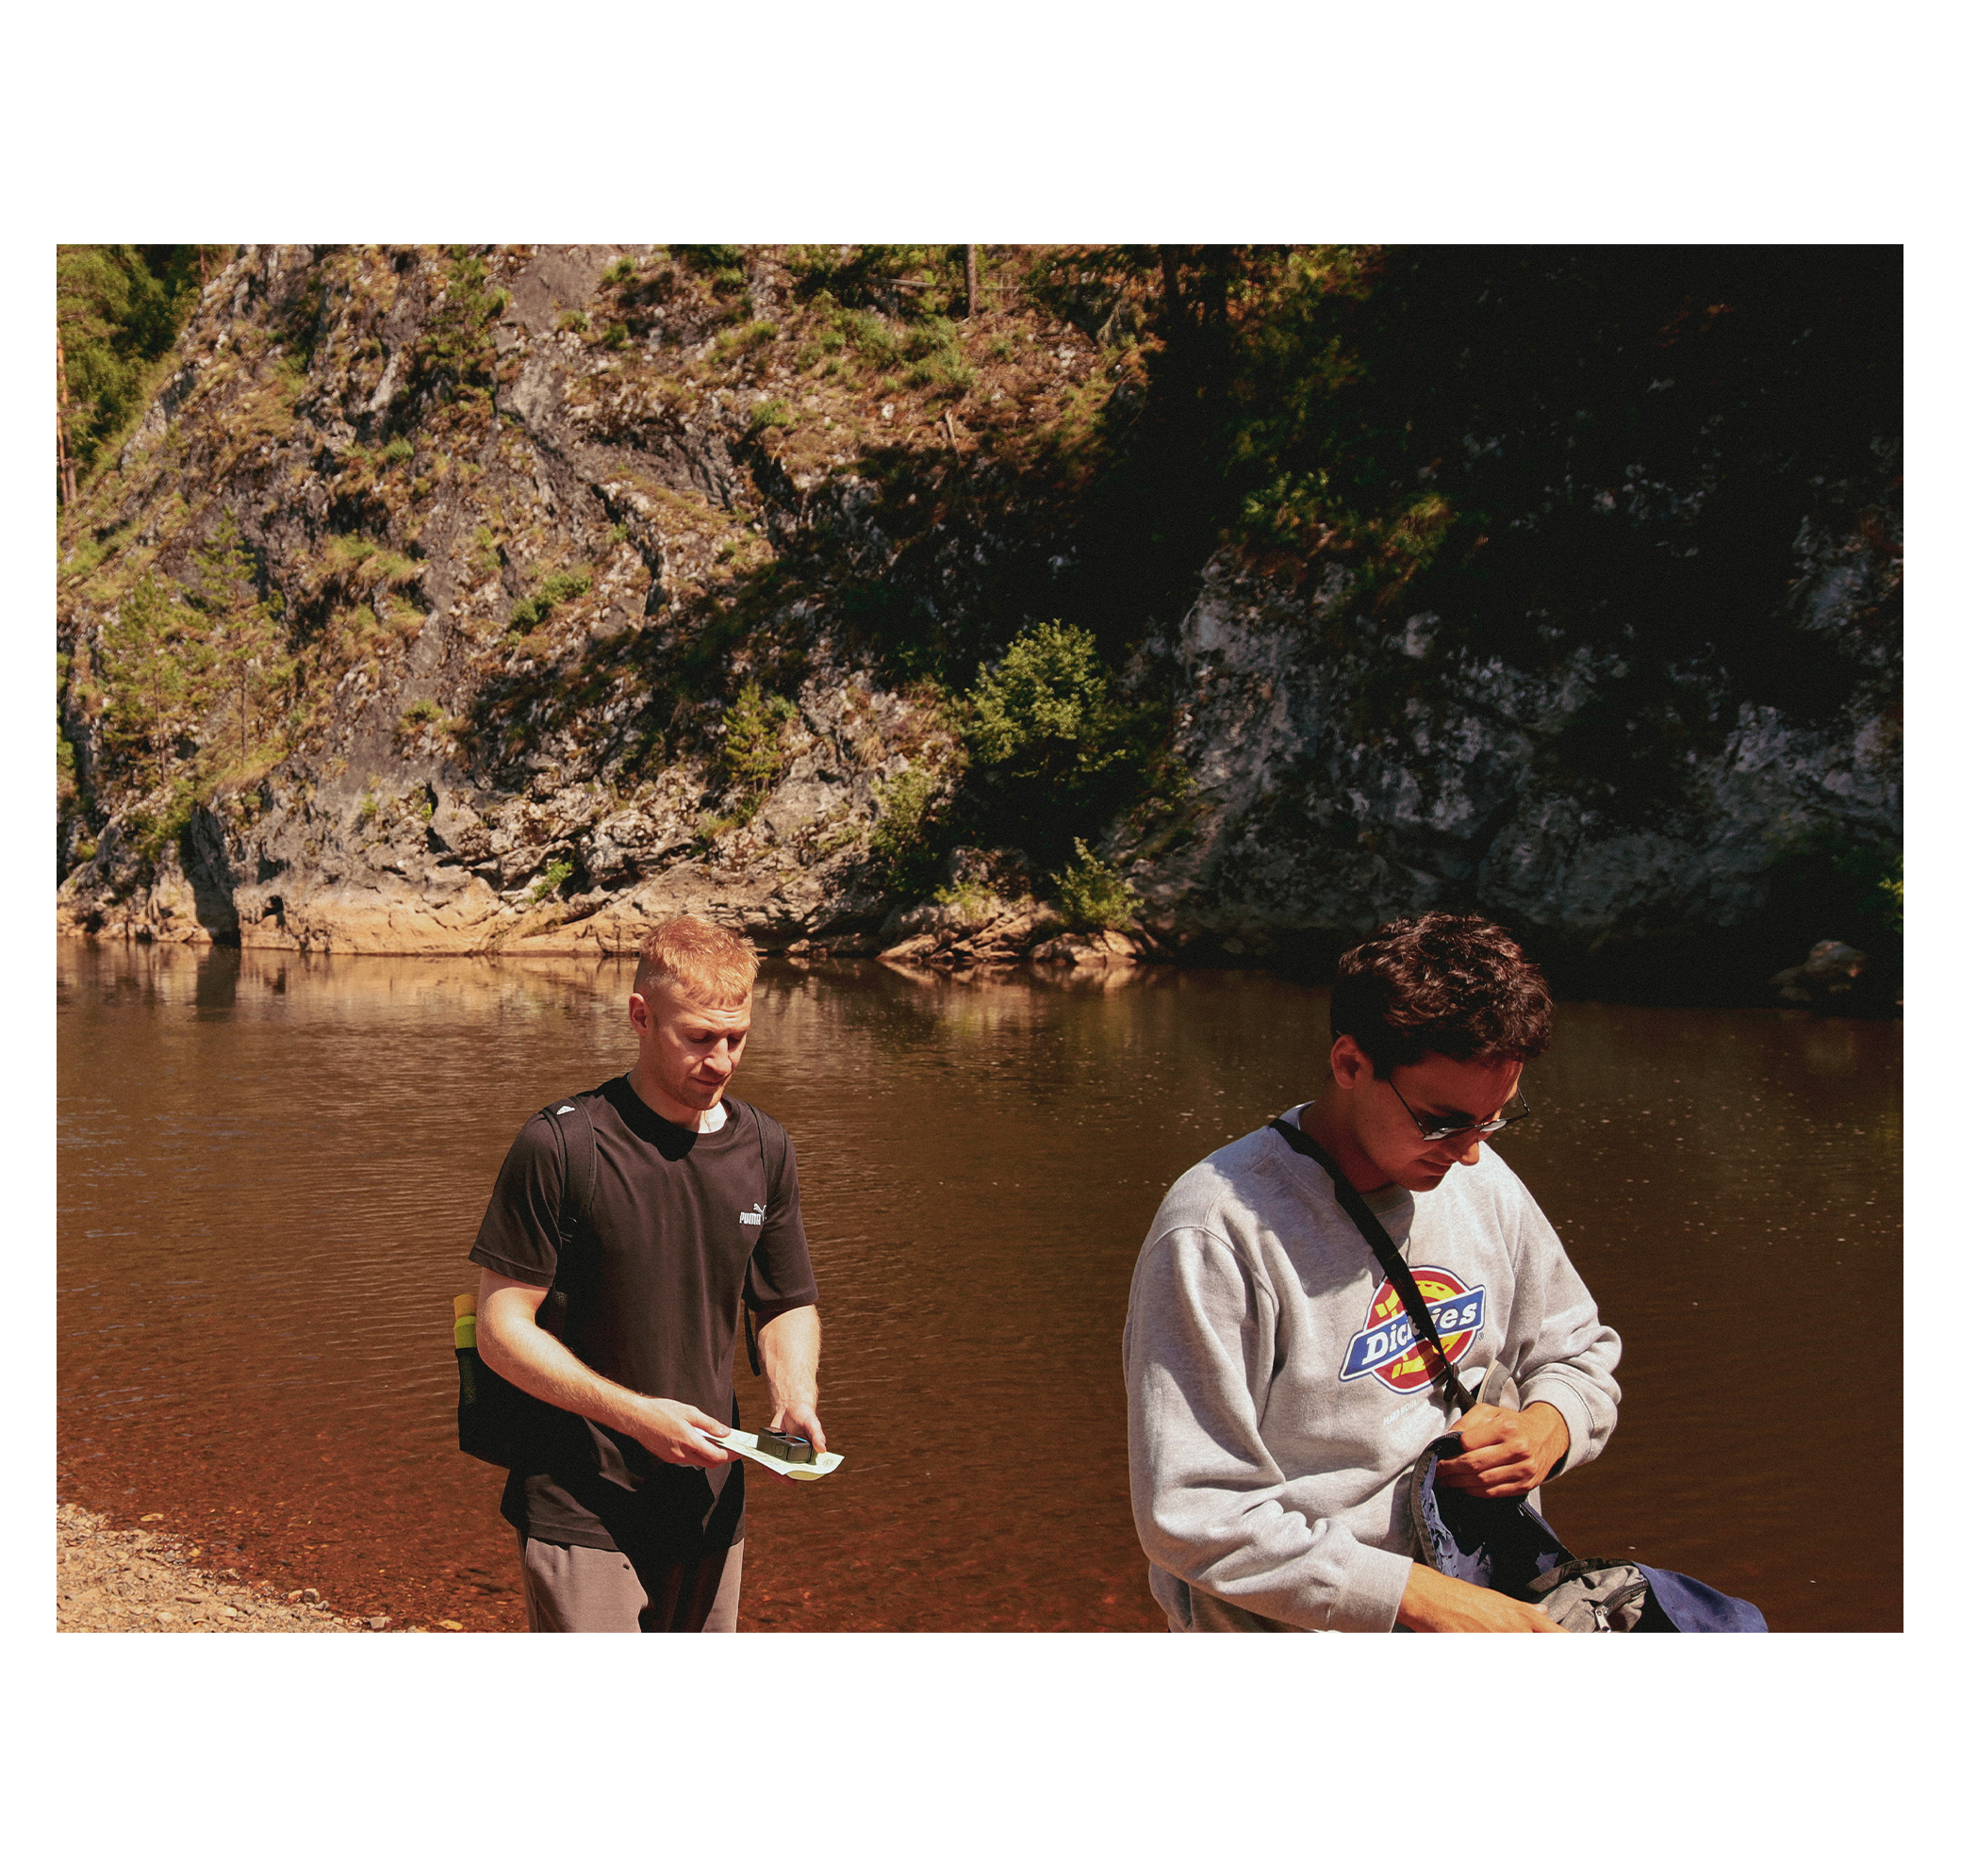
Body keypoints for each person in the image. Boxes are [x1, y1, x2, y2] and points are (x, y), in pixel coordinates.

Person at [1123, 912, 1622, 1633]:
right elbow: (1192, 1514)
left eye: (1496, 1120)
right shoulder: (1216, 1231)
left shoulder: (1481, 1180)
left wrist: (1551, 1427)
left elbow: (1579, 1353)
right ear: (1351, 1065)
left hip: (1483, 1601)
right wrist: (1418, 1599)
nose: (1472, 1153)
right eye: (1444, 1122)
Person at [470, 915, 823, 1632]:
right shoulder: (562, 1144)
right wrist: (635, 1416)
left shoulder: (765, 1146)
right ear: (640, 1016)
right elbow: (500, 1330)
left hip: (710, 1499)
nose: (721, 1060)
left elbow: (784, 1302)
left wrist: (793, 1397)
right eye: (698, 1037)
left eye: (736, 1038)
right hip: (580, 1497)